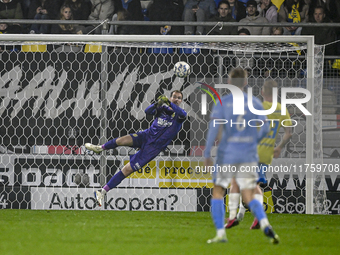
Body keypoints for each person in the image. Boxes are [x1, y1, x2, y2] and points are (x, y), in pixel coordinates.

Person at [204, 68, 279, 244]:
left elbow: (214, 128)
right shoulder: (254, 102)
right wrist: (254, 140)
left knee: (218, 191)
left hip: (227, 153)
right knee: (249, 193)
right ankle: (265, 223)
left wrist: (207, 153)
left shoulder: (223, 102)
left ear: (229, 83)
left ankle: (221, 234)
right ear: (246, 82)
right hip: (248, 153)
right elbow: (266, 128)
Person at [85, 91, 187, 206]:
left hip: (153, 148)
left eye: (179, 98)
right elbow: (147, 111)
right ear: (170, 97)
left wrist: (168, 102)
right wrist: (156, 104)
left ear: (181, 101)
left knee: (127, 169)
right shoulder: (163, 109)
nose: (176, 99)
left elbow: (183, 113)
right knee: (121, 140)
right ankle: (100, 148)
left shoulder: (179, 116)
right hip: (146, 136)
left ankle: (102, 192)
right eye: (174, 97)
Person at [225, 80, 292, 230]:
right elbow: (289, 133)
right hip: (267, 153)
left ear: (262, 92)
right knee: (252, 185)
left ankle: (236, 217)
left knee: (237, 182)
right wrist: (279, 147)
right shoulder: (282, 110)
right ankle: (249, 216)